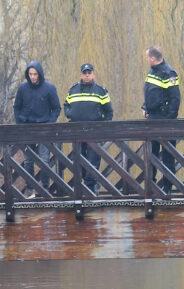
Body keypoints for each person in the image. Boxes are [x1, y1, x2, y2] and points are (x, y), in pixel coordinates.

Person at [65, 63, 113, 193]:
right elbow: (66, 105)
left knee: (93, 161)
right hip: (77, 132)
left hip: (94, 132)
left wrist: (102, 128)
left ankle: (89, 189)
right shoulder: (73, 90)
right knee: (79, 160)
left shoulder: (100, 90)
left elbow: (109, 112)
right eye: (84, 73)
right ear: (81, 75)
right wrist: (70, 114)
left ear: (93, 74)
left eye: (89, 73)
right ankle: (83, 188)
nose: (87, 75)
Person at [13, 62, 61, 193]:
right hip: (26, 129)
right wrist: (20, 125)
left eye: (35, 74)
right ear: (27, 75)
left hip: (44, 129)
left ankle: (45, 188)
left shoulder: (49, 88)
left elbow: (56, 108)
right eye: (30, 74)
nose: (33, 77)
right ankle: (30, 189)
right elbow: (16, 107)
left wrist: (49, 123)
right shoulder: (23, 88)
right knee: (28, 161)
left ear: (40, 74)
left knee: (44, 160)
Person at [142, 46, 181, 193]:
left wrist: (169, 119)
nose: (147, 60)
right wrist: (145, 107)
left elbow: (175, 98)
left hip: (164, 119)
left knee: (167, 155)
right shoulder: (152, 71)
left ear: (152, 58)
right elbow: (150, 93)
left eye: (147, 57)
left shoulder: (168, 72)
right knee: (151, 153)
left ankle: (167, 188)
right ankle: (151, 186)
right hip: (153, 117)